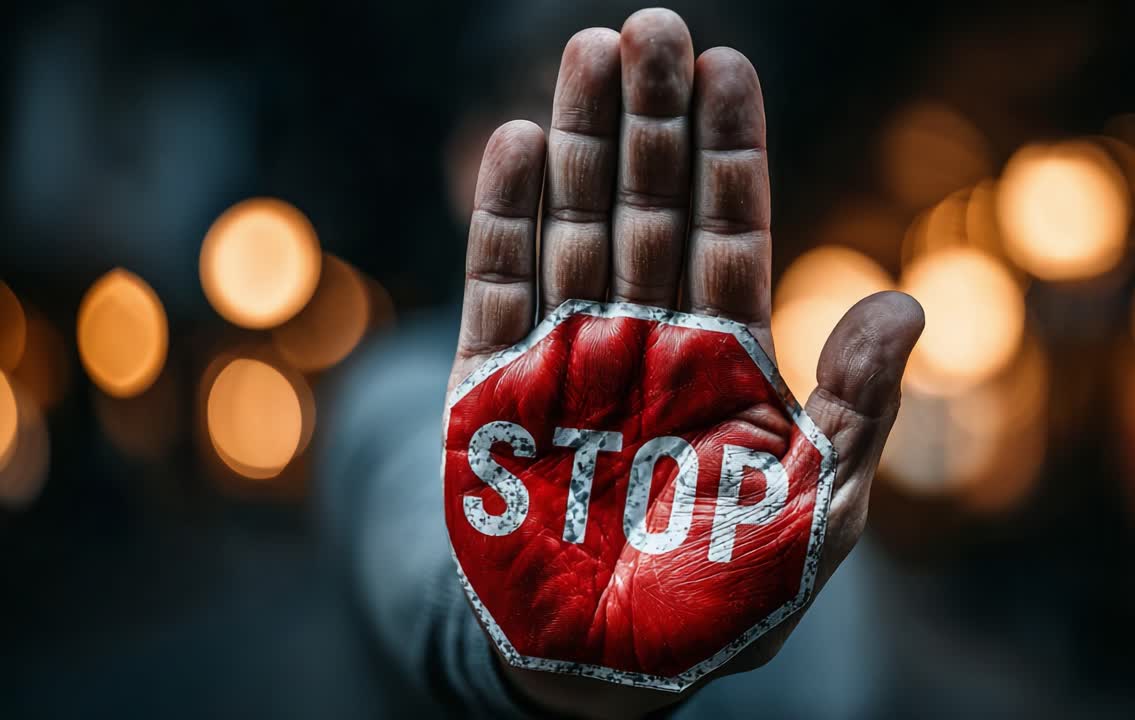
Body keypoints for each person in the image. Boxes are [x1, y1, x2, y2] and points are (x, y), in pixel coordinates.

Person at [321, 8, 925, 718]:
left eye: (663, 138)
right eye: (583, 130)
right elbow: (412, 534)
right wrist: (535, 645)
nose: (621, 176)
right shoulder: (395, 388)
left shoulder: (777, 481)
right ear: (466, 160)